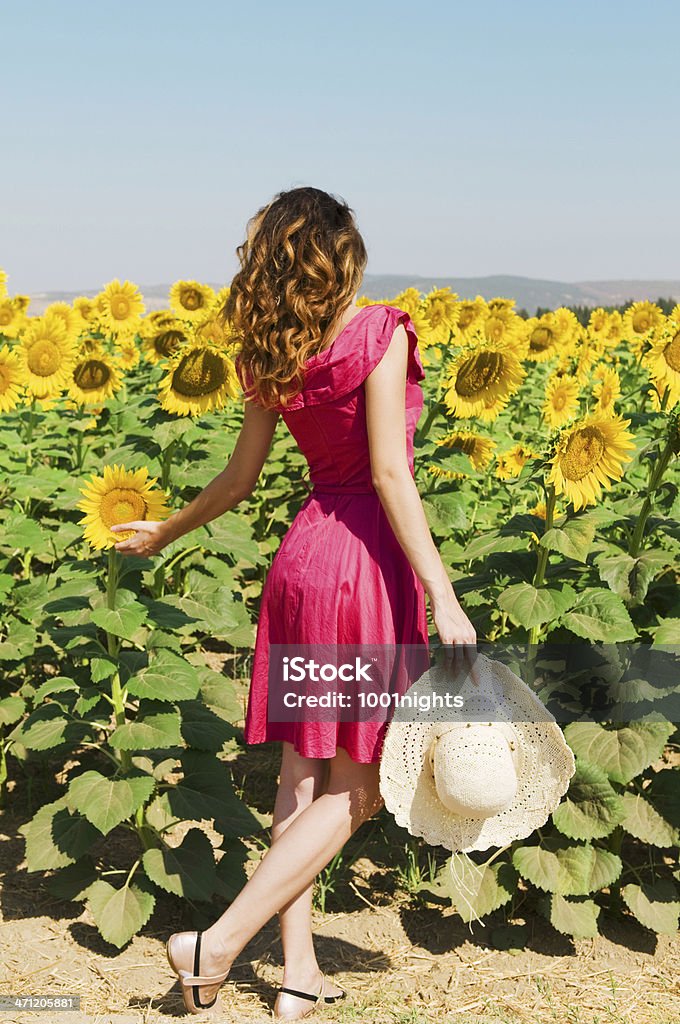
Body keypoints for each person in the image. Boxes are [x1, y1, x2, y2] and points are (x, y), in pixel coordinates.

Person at [111, 186, 477, 1019]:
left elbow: (241, 480)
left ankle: (298, 974)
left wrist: (166, 530)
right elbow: (390, 474)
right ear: (341, 254)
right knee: (364, 784)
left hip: (302, 561)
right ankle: (219, 942)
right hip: (362, 567)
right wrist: (442, 594)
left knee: (302, 778)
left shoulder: (275, 351)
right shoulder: (380, 332)